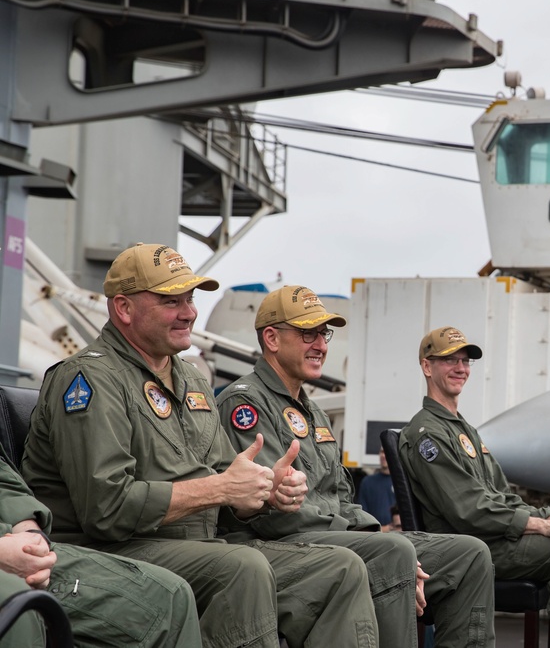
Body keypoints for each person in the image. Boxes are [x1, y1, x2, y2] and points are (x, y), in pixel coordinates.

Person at [21, 244, 378, 648]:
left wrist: (266, 491)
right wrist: (223, 489)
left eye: (190, 299)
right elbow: (107, 510)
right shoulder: (89, 378)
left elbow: (230, 485)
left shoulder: (192, 379)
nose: (189, 312)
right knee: (241, 568)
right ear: (123, 308)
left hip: (195, 547)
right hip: (108, 553)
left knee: (341, 569)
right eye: (171, 301)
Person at [216, 286, 495, 648]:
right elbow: (278, 514)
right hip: (276, 542)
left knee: (470, 555)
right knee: (395, 554)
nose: (321, 345)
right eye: (307, 334)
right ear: (271, 338)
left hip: (332, 536)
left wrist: (370, 532)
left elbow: (341, 496)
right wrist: (372, 537)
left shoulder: (313, 411)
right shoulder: (245, 403)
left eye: (323, 334)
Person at [398, 326, 550, 648]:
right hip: (474, 544)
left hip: (499, 535)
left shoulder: (465, 430)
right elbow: (467, 510)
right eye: (449, 360)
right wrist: (541, 527)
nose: (461, 369)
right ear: (427, 366)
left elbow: (503, 496)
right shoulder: (427, 434)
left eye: (465, 361)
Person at [0, 453, 203, 648]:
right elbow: (107, 509)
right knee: (20, 607)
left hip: (24, 544)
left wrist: (32, 537)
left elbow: (4, 481)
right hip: (102, 538)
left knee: (169, 596)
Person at [358, 448, 396, 531]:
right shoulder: (367, 482)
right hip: (376, 535)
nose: (383, 455)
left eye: (386, 452)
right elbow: (363, 516)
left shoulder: (402, 482)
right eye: (381, 452)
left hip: (401, 536)